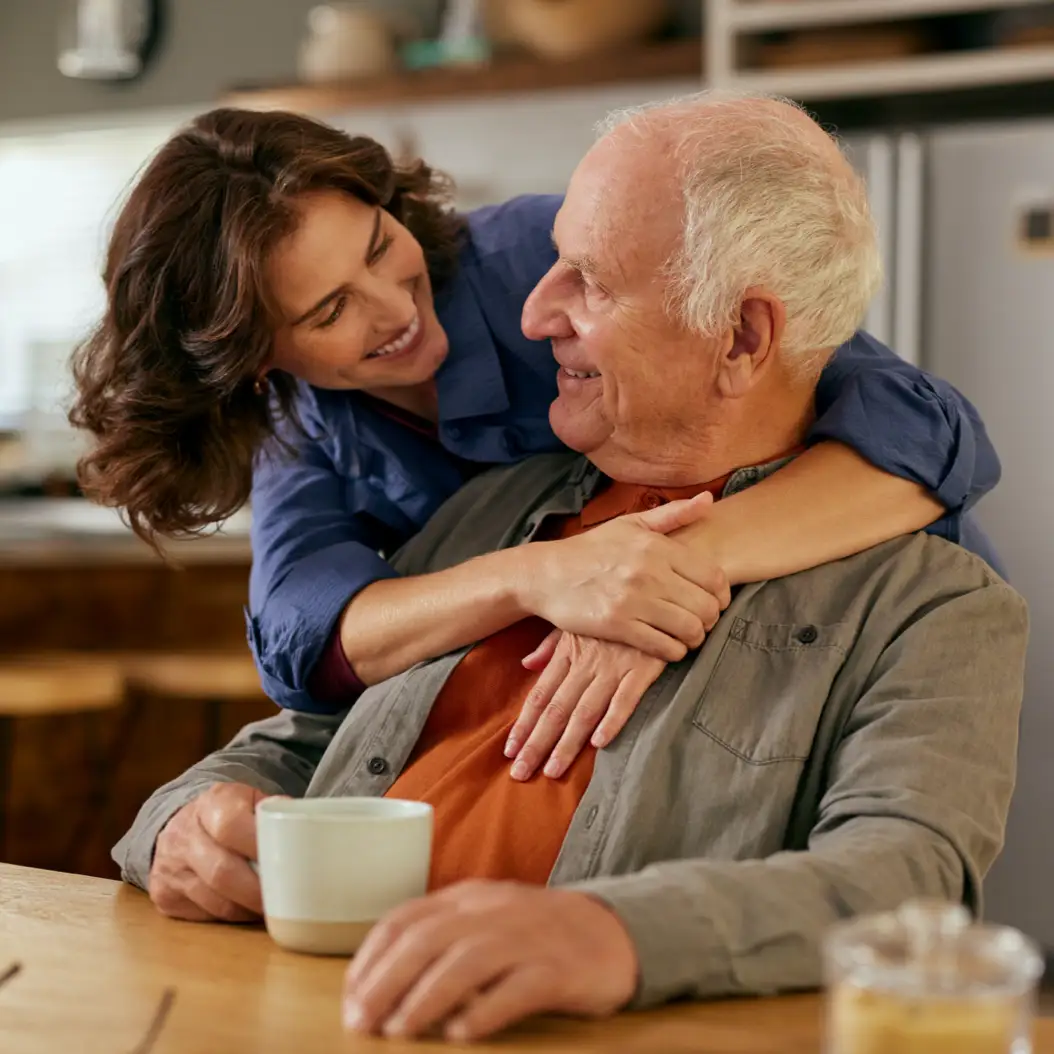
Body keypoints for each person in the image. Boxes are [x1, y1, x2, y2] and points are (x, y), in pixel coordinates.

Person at [115, 91, 1026, 1043]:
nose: (533, 312)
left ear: (742, 338)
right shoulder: (491, 514)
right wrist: (178, 825)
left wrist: (607, 935)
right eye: (331, 308)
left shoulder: (929, 606)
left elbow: (902, 880)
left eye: (586, 280)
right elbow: (306, 721)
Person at [69, 104, 1000, 783]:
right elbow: (305, 643)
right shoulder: (301, 426)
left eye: (377, 244)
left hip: (831, 620)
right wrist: (538, 577)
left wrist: (666, 566)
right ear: (257, 360)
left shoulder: (537, 260)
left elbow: (923, 428)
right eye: (330, 309)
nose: (397, 307)